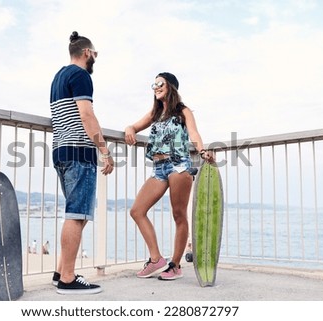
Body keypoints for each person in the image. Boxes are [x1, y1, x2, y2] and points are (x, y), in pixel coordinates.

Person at [124, 72, 214, 280]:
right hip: (159, 168)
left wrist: (202, 151)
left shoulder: (182, 111)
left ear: (171, 86)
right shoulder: (155, 113)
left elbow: (194, 133)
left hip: (179, 166)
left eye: (159, 83)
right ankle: (157, 259)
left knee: (178, 214)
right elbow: (134, 126)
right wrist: (129, 128)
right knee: (137, 211)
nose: (155, 87)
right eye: (153, 84)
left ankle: (175, 265)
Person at [50, 31, 114, 294]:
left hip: (61, 151)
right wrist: (104, 151)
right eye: (95, 54)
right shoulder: (81, 76)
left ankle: (59, 271)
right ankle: (67, 279)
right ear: (87, 53)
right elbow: (87, 115)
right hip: (79, 153)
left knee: (77, 215)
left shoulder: (59, 76)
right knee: (77, 216)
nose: (95, 59)